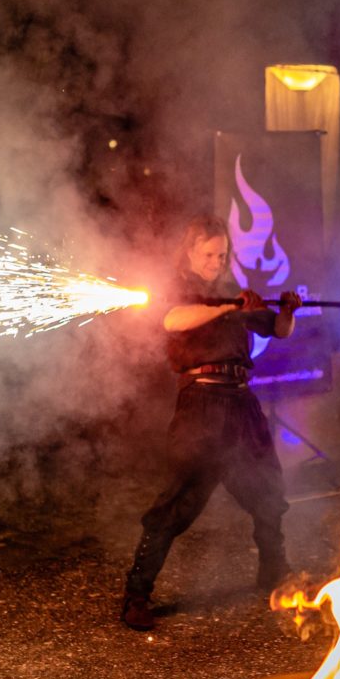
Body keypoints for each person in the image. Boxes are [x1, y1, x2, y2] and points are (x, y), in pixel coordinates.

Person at [122, 216, 303, 631]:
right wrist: (227, 306)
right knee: (176, 504)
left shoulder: (236, 293)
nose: (216, 261)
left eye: (222, 254)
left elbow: (279, 329)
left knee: (268, 492)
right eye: (208, 254)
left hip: (241, 403)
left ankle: (274, 574)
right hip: (201, 405)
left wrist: (286, 311)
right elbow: (172, 320)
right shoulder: (178, 290)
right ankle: (136, 595)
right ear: (189, 252)